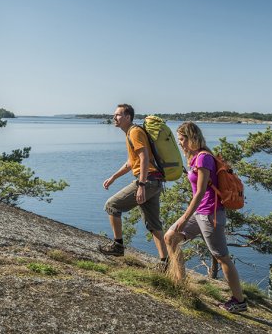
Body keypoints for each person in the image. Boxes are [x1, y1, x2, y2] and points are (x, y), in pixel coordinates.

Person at [164, 121, 247, 313]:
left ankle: (239, 301)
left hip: (210, 214)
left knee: (222, 257)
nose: (180, 143)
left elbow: (200, 192)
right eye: (178, 140)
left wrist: (185, 217)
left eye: (182, 139)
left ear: (192, 138)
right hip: (200, 213)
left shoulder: (203, 158)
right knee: (170, 237)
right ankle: (180, 283)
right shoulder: (194, 159)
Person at [98, 104, 169, 271]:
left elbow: (144, 158)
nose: (114, 118)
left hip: (148, 181)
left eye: (118, 115)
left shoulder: (135, 132)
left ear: (128, 117)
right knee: (154, 225)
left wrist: (141, 185)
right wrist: (113, 177)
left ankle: (118, 246)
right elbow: (132, 162)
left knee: (111, 205)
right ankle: (165, 263)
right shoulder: (131, 133)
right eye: (114, 115)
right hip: (155, 182)